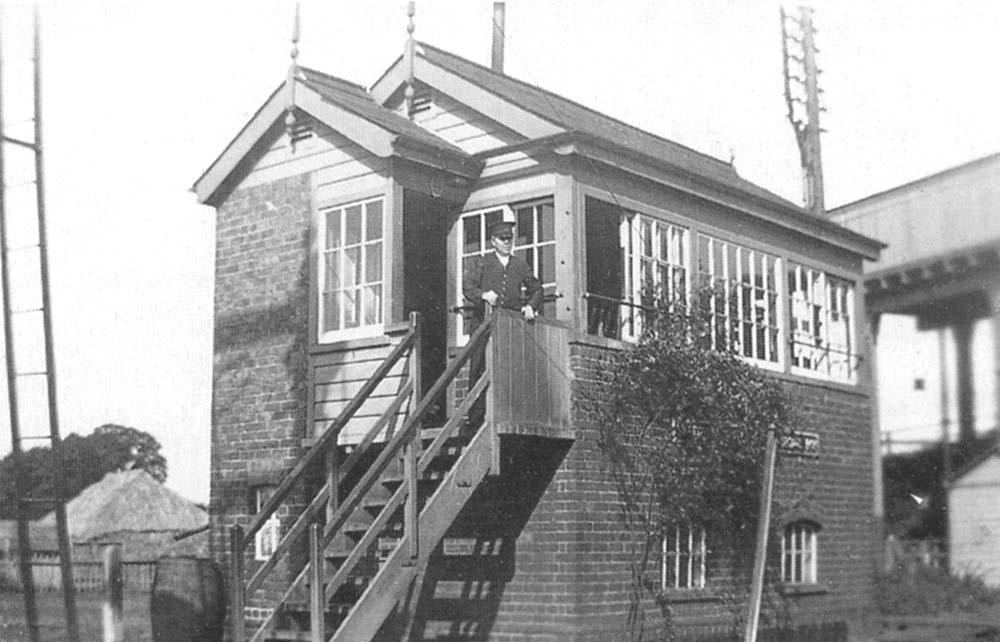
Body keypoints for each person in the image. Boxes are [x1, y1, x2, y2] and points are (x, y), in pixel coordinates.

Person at [462, 218, 543, 329]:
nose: (506, 242)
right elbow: (468, 287)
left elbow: (537, 289)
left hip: (511, 325)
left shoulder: (520, 265)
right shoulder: (482, 262)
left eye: (509, 238)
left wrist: (530, 306)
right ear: (493, 241)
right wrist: (483, 295)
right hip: (484, 324)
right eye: (502, 239)